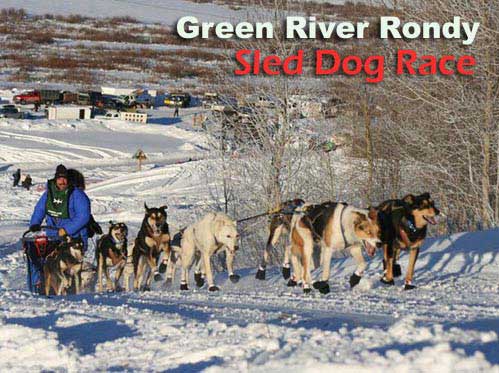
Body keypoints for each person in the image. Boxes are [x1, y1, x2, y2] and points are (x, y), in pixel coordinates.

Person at [27, 164, 91, 292]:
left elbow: (83, 216)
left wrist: (66, 230)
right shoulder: (49, 193)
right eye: (59, 178)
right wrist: (34, 223)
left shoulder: (77, 195)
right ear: (55, 179)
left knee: (65, 263)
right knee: (35, 255)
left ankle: (72, 289)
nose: (62, 181)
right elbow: (40, 209)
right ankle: (40, 285)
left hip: (73, 237)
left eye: (65, 178)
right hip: (53, 235)